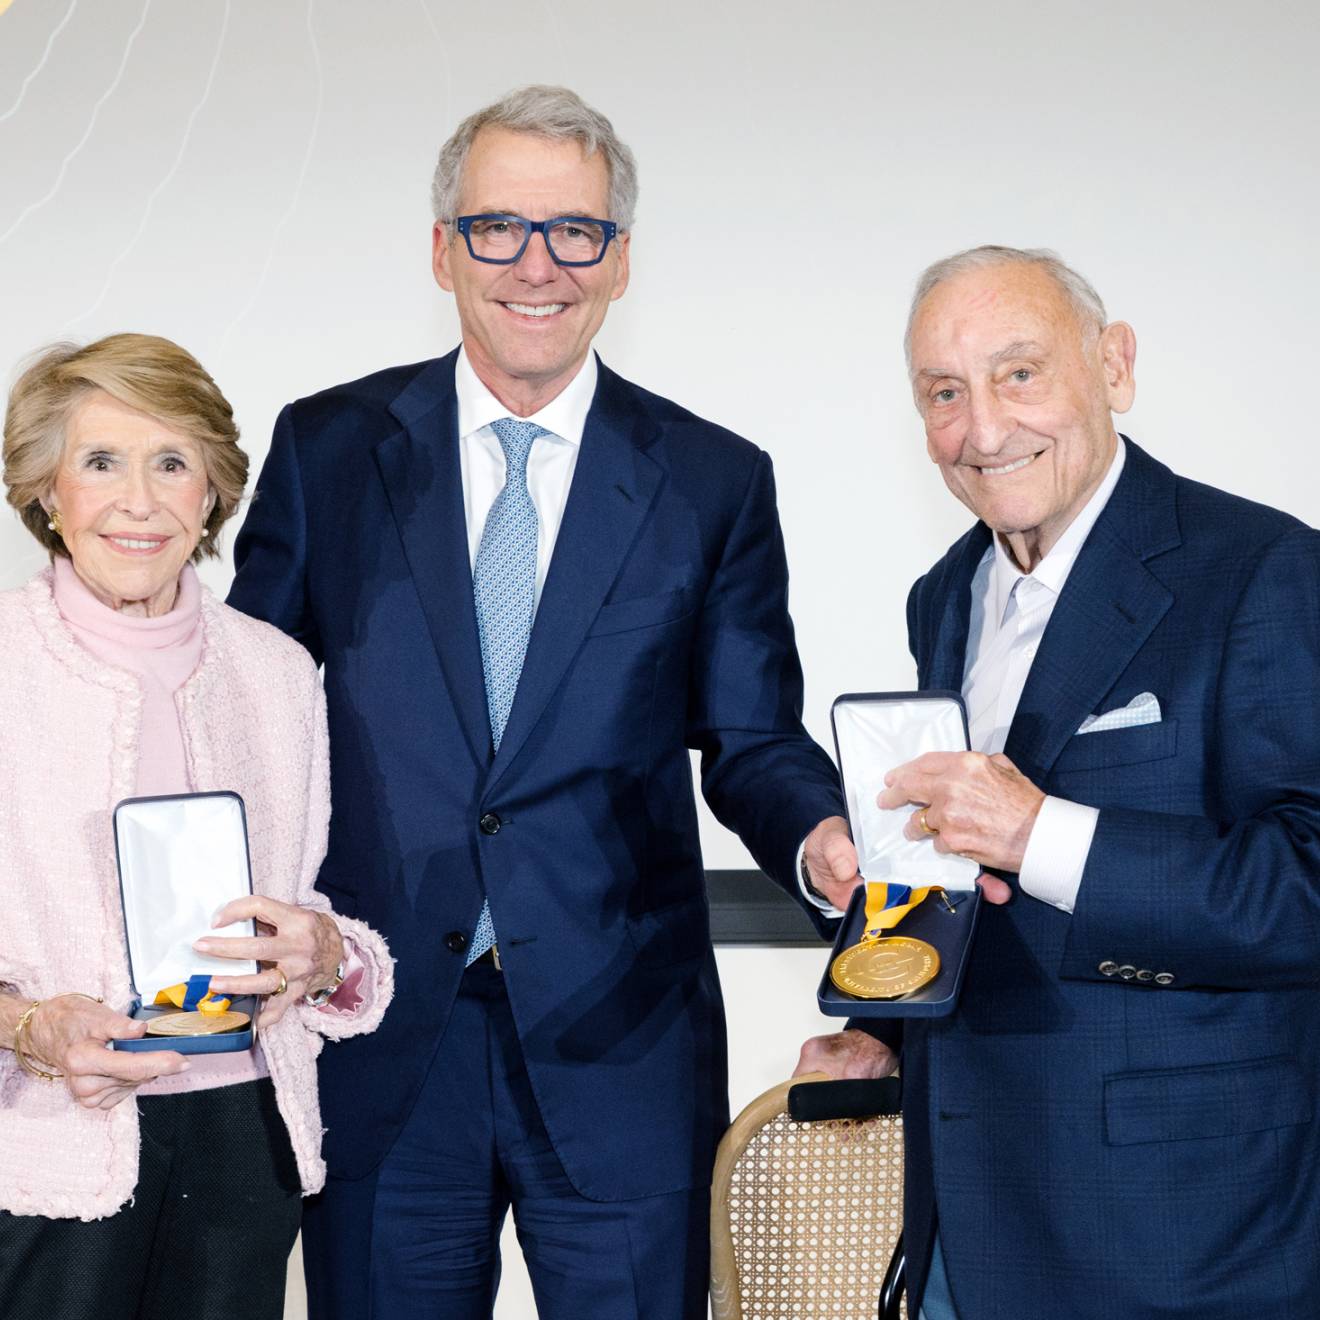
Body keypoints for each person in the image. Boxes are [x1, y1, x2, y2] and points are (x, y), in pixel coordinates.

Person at [227, 85, 854, 1320]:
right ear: (441, 250)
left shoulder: (714, 481)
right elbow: (253, 715)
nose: (536, 265)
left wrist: (819, 839)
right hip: (379, 1030)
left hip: (622, 1041)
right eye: (497, 227)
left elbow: (751, 737)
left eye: (574, 232)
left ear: (619, 262)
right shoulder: (326, 451)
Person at [796, 246, 1320, 1319]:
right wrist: (884, 1019)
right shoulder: (944, 594)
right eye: (944, 393)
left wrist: (1043, 834)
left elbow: (1305, 886)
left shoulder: (1265, 570)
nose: (983, 429)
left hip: (1182, 1238)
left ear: (1114, 367)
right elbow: (969, 880)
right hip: (963, 1223)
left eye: (1019, 373)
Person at [0, 333, 394, 1320]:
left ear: (213, 490)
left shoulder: (277, 674)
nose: (140, 501)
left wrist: (324, 952)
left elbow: (319, 913)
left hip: (241, 1143)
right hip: (44, 1144)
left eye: (171, 462)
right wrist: (29, 1028)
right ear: (48, 490)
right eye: (101, 463)